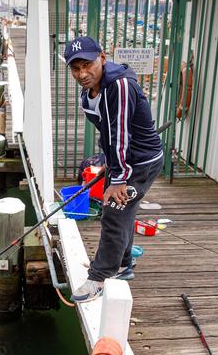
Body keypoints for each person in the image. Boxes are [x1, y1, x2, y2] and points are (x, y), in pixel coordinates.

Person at [64, 36, 164, 303]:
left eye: (88, 64)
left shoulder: (118, 85)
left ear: (103, 58)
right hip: (123, 160)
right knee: (124, 210)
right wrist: (109, 164)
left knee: (114, 213)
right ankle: (123, 265)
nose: (82, 73)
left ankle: (99, 277)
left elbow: (120, 134)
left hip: (140, 162)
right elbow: (108, 134)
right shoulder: (90, 91)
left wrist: (118, 179)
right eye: (75, 68)